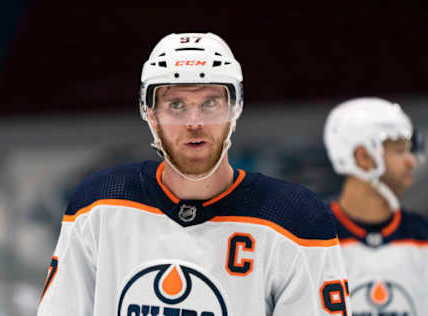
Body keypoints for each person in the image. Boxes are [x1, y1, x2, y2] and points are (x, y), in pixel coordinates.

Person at [37, 32, 351, 315]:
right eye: (176, 104)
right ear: (150, 112)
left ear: (235, 107)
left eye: (210, 103)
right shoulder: (100, 203)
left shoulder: (294, 218)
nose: (194, 122)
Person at [323, 97, 428, 315]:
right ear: (362, 157)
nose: (412, 161)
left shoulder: (422, 236)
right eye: (400, 151)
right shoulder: (310, 239)